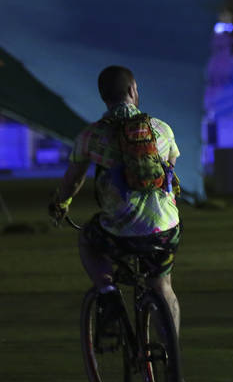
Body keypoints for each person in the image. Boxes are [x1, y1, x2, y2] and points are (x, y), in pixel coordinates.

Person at [47, 66, 182, 336]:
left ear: (103, 97)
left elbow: (73, 180)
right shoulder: (162, 129)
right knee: (162, 285)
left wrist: (61, 205)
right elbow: (170, 168)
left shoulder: (90, 136)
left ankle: (108, 292)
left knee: (87, 238)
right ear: (133, 91)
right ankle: (173, 367)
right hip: (165, 229)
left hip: (119, 231)